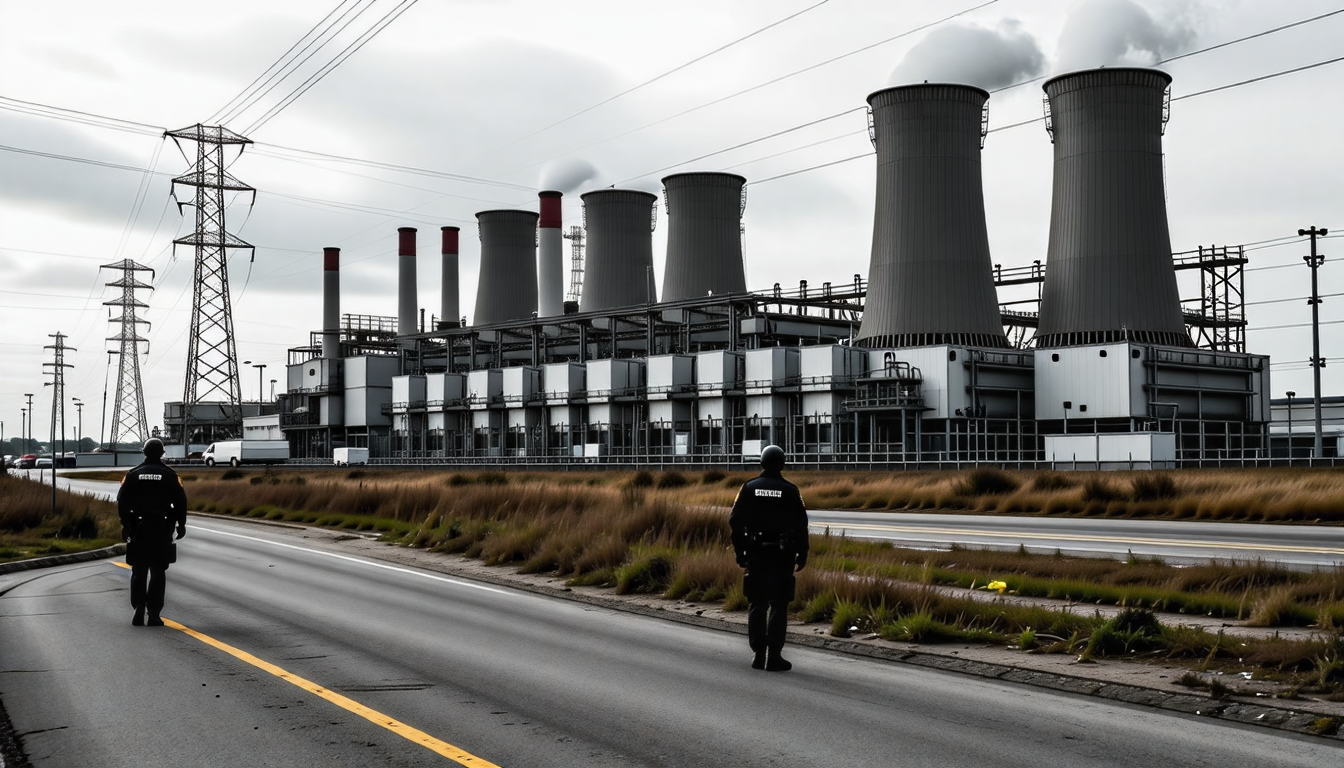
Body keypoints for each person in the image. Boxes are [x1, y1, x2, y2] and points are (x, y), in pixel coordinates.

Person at [729, 444, 809, 671]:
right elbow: (802, 525)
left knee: (757, 603)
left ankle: (758, 654)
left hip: (756, 552)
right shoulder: (791, 490)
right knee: (779, 604)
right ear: (782, 463)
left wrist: (740, 551)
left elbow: (734, 521)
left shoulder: (749, 487)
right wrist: (803, 554)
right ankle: (774, 656)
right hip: (782, 554)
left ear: (762, 463)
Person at [118, 438, 188, 627]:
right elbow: (181, 503)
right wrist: (181, 524)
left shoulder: (132, 475)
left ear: (144, 452)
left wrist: (126, 525)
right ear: (162, 453)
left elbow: (122, 502)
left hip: (139, 529)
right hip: (161, 529)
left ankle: (138, 607)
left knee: (139, 570)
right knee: (158, 571)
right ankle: (154, 613)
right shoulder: (170, 475)